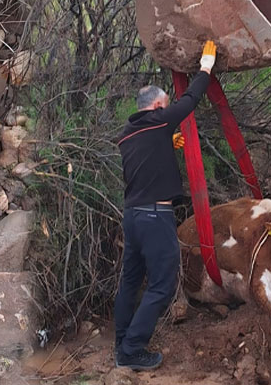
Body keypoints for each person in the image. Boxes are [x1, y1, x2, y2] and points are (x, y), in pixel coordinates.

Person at [113, 41, 216, 371]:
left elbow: (146, 162)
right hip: (155, 216)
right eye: (164, 106)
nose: (166, 110)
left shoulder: (128, 134)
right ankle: (132, 349)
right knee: (163, 284)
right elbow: (191, 100)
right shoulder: (159, 120)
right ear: (157, 105)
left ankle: (121, 341)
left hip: (132, 217)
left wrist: (166, 143)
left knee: (130, 281)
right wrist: (206, 68)